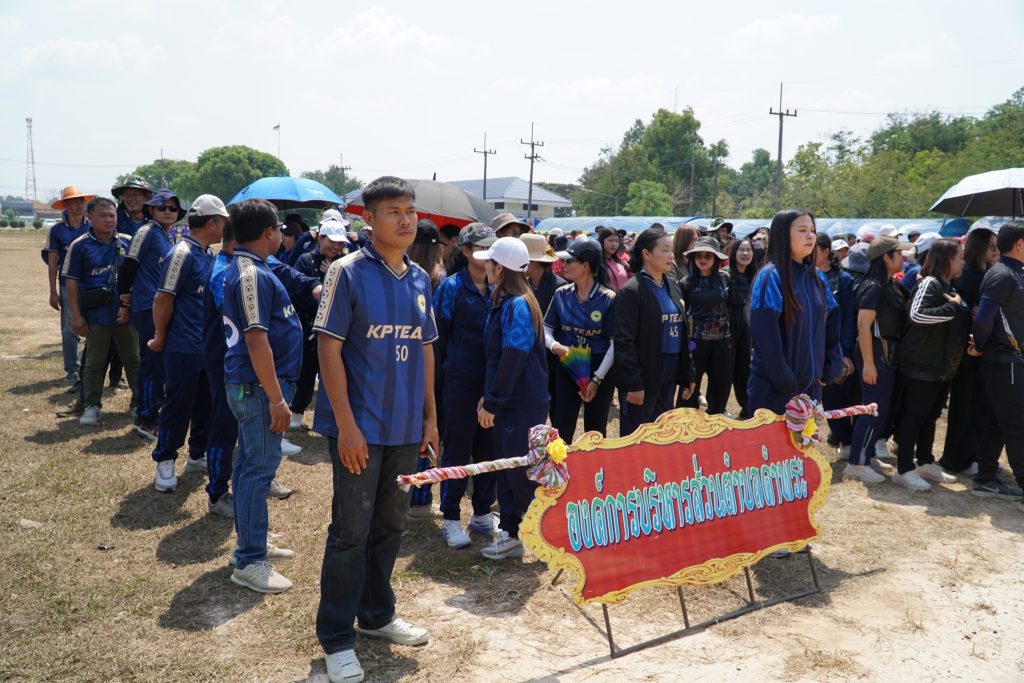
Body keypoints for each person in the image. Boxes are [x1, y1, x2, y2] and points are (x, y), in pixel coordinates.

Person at [313, 177, 437, 683]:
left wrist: (430, 417)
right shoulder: (346, 273)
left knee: (391, 526)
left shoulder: (420, 278)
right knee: (351, 533)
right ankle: (336, 637)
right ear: (369, 220)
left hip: (406, 429)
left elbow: (425, 349)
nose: (406, 220)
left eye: (410, 211)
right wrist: (346, 426)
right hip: (359, 429)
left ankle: (377, 615)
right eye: (393, 212)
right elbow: (328, 349)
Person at [222, 198, 304, 594]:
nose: (281, 236)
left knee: (248, 465)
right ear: (269, 232)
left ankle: (249, 542)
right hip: (257, 387)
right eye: (279, 230)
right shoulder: (250, 273)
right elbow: (256, 340)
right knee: (258, 468)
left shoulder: (255, 267)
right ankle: (250, 559)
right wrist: (276, 398)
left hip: (256, 386)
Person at [473, 237, 549, 561]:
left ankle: (548, 536)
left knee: (520, 474)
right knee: (507, 469)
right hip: (511, 402)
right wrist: (489, 397)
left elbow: (512, 358)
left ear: (500, 268)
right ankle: (510, 533)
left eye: (489, 262)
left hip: (521, 404)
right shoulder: (506, 300)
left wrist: (494, 401)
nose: (484, 266)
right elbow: (498, 359)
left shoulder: (518, 304)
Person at [147, 195, 227, 493]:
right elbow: (162, 298)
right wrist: (160, 336)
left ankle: (197, 453)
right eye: (223, 222)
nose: (226, 228)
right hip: (183, 346)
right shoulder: (181, 253)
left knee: (206, 404)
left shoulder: (207, 254)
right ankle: (165, 458)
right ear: (212, 223)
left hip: (206, 347)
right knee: (177, 406)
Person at [432, 223, 500, 548]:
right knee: (457, 450)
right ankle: (449, 517)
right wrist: (439, 385)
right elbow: (438, 340)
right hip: (460, 383)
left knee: (489, 449)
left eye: (492, 247)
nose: (488, 253)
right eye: (482, 248)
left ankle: (483, 512)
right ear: (466, 251)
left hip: (492, 384)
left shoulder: (500, 286)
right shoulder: (451, 287)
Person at [747, 210, 843, 416]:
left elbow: (832, 323)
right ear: (783, 234)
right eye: (802, 230)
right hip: (775, 392)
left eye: (812, 230)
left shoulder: (818, 278)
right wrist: (787, 381)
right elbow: (765, 337)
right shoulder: (770, 277)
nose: (810, 236)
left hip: (811, 391)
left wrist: (831, 366)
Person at [892, 239, 969, 491]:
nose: (963, 261)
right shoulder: (930, 283)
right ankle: (904, 469)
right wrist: (952, 307)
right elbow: (917, 315)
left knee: (930, 416)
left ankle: (925, 462)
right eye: (960, 256)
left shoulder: (949, 286)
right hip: (920, 364)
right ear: (946, 259)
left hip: (941, 368)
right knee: (913, 418)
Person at [62, 197, 137, 425]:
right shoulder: (79, 246)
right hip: (96, 315)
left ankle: (140, 402)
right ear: (89, 217)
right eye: (103, 215)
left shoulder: (128, 242)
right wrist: (76, 316)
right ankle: (92, 405)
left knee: (134, 360)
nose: (108, 220)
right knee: (94, 362)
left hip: (126, 314)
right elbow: (71, 282)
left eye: (112, 215)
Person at [118, 188, 185, 440]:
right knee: (152, 363)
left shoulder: (168, 235)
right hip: (148, 306)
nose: (168, 211)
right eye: (162, 207)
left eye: (173, 208)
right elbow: (128, 266)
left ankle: (153, 411)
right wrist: (124, 299)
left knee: (160, 363)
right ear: (151, 210)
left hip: (164, 306)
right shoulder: (145, 231)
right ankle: (146, 418)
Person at [614, 228, 695, 437]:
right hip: (644, 371)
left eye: (671, 250)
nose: (671, 256)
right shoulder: (631, 291)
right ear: (646, 254)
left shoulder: (674, 286)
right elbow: (624, 341)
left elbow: (686, 332)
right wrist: (634, 383)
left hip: (670, 368)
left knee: (663, 432)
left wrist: (688, 372)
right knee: (637, 435)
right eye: (665, 250)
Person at [845, 235, 912, 483]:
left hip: (887, 355)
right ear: (886, 257)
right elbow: (864, 326)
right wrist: (869, 363)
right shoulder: (873, 287)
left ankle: (868, 453)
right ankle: (856, 462)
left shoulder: (890, 285)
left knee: (880, 410)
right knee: (873, 409)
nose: (904, 257)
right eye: (899, 253)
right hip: (875, 355)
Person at [967, 221, 1024, 504]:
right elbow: (983, 318)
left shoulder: (1015, 273)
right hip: (1005, 360)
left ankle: (986, 476)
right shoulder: (1001, 274)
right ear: (1020, 244)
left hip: (1009, 361)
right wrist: (979, 346)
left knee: (997, 421)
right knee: (1017, 427)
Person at [940, 228, 1001, 474]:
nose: (996, 251)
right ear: (980, 248)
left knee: (980, 406)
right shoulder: (969, 277)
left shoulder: (987, 273)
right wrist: (972, 311)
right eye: (992, 247)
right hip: (967, 351)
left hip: (981, 350)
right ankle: (959, 458)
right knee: (965, 406)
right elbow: (961, 309)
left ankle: (973, 454)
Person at [545, 238, 616, 442]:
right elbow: (546, 329)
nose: (564, 265)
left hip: (600, 367)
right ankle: (561, 463)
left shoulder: (608, 298)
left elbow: (614, 344)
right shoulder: (561, 294)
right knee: (561, 426)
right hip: (567, 364)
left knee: (595, 431)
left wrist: (596, 379)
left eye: (569, 261)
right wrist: (555, 346)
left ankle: (594, 465)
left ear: (586, 265)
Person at [291, 219, 352, 431]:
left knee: (337, 373)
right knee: (306, 372)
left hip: (338, 328)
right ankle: (297, 410)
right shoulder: (306, 260)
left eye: (340, 243)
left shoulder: (344, 262)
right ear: (320, 238)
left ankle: (334, 416)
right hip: (309, 326)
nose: (336, 247)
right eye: (332, 241)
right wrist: (324, 285)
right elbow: (298, 295)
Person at [406, 219, 445, 515]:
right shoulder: (442, 280)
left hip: (406, 363)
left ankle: (405, 495)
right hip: (437, 365)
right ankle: (421, 498)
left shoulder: (406, 277)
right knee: (430, 430)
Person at [677, 236, 733, 415]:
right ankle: (685, 421)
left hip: (722, 339)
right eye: (699, 255)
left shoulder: (726, 278)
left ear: (715, 258)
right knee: (690, 382)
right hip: (694, 341)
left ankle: (716, 418)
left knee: (721, 383)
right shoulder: (686, 282)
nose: (702, 259)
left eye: (707, 256)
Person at [46, 185, 94, 384]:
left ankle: (92, 367)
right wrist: (53, 291)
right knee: (69, 327)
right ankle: (72, 369)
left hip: (91, 283)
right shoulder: (57, 230)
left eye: (80, 201)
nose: (77, 205)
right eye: (72, 202)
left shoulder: (93, 226)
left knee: (95, 325)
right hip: (67, 284)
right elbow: (53, 262)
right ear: (65, 205)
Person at [815, 234, 857, 457]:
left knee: (835, 396)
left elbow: (848, 318)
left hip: (834, 347)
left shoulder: (843, 279)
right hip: (810, 348)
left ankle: (846, 441)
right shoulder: (803, 276)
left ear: (825, 252)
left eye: (814, 249)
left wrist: (845, 352)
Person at [728, 236, 757, 419]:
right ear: (734, 253)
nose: (745, 253)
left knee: (744, 370)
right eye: (741, 250)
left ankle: (747, 409)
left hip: (746, 330)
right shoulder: (726, 275)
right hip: (727, 330)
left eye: (749, 250)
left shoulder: (754, 277)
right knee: (726, 371)